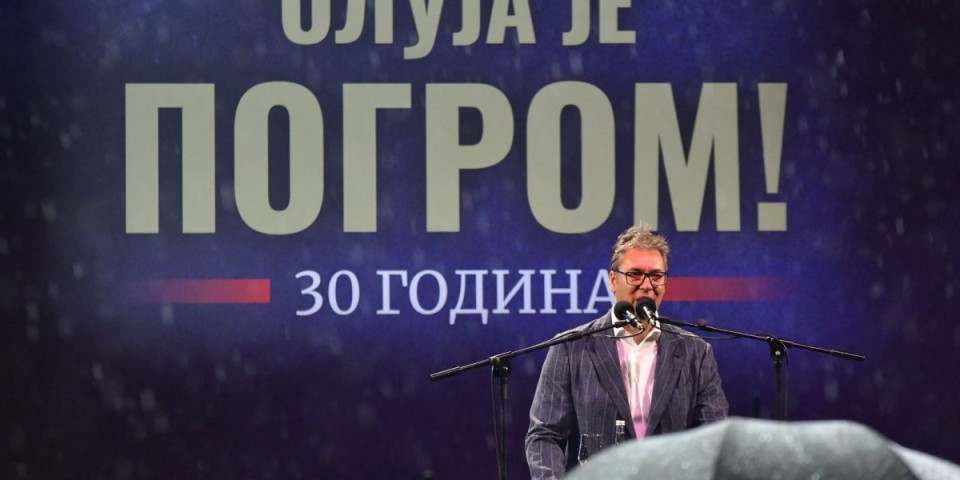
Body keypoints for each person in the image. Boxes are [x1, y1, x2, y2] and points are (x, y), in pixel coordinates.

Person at [525, 223, 729, 479]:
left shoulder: (695, 353)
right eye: (635, 274)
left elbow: (714, 438)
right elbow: (544, 436)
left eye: (656, 276)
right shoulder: (570, 347)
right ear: (613, 280)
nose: (647, 285)